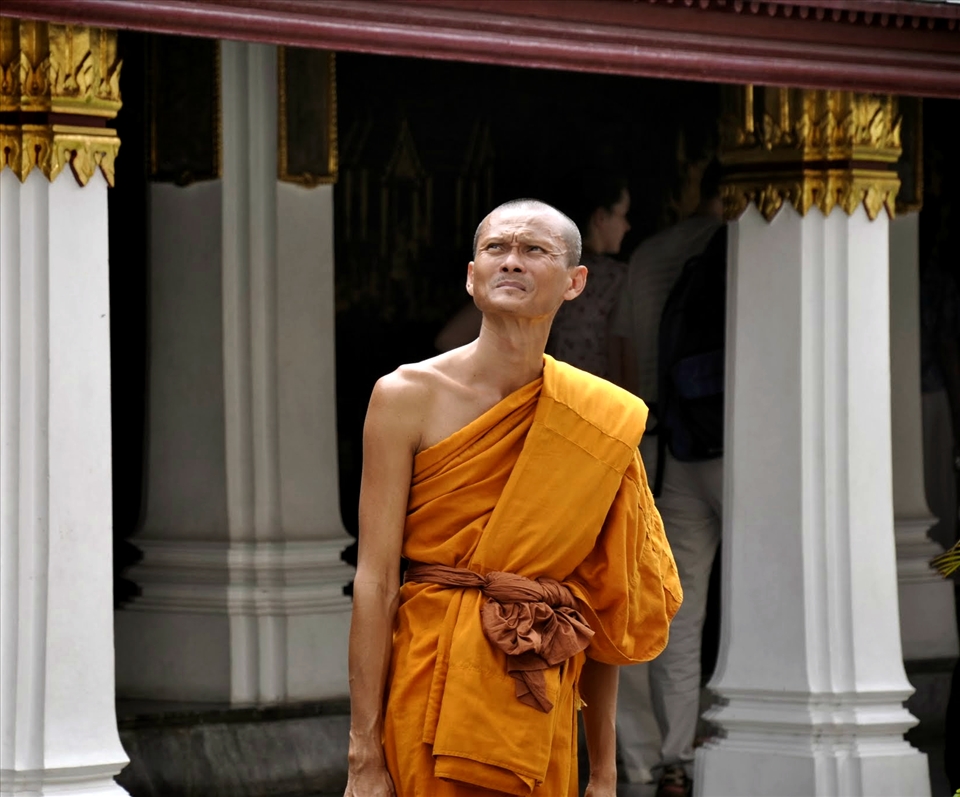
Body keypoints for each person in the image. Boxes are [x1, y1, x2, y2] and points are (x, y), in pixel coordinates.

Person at [343, 198, 682, 797]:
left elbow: (602, 600)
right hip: (427, 678)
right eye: (495, 248)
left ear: (575, 282)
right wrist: (362, 754)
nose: (511, 261)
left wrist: (604, 774)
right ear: (471, 276)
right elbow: (374, 579)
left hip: (538, 693)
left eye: (534, 250)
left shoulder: (598, 419)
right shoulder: (405, 396)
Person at [609, 161, 724, 797]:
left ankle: (672, 758)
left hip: (666, 445)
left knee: (675, 605)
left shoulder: (651, 256)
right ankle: (737, 739)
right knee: (756, 598)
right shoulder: (749, 241)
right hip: (743, 445)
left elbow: (626, 362)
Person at [548, 172, 631, 379]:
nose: (627, 226)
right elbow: (619, 355)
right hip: (594, 393)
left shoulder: (546, 272)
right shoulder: (617, 279)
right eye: (623, 215)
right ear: (601, 218)